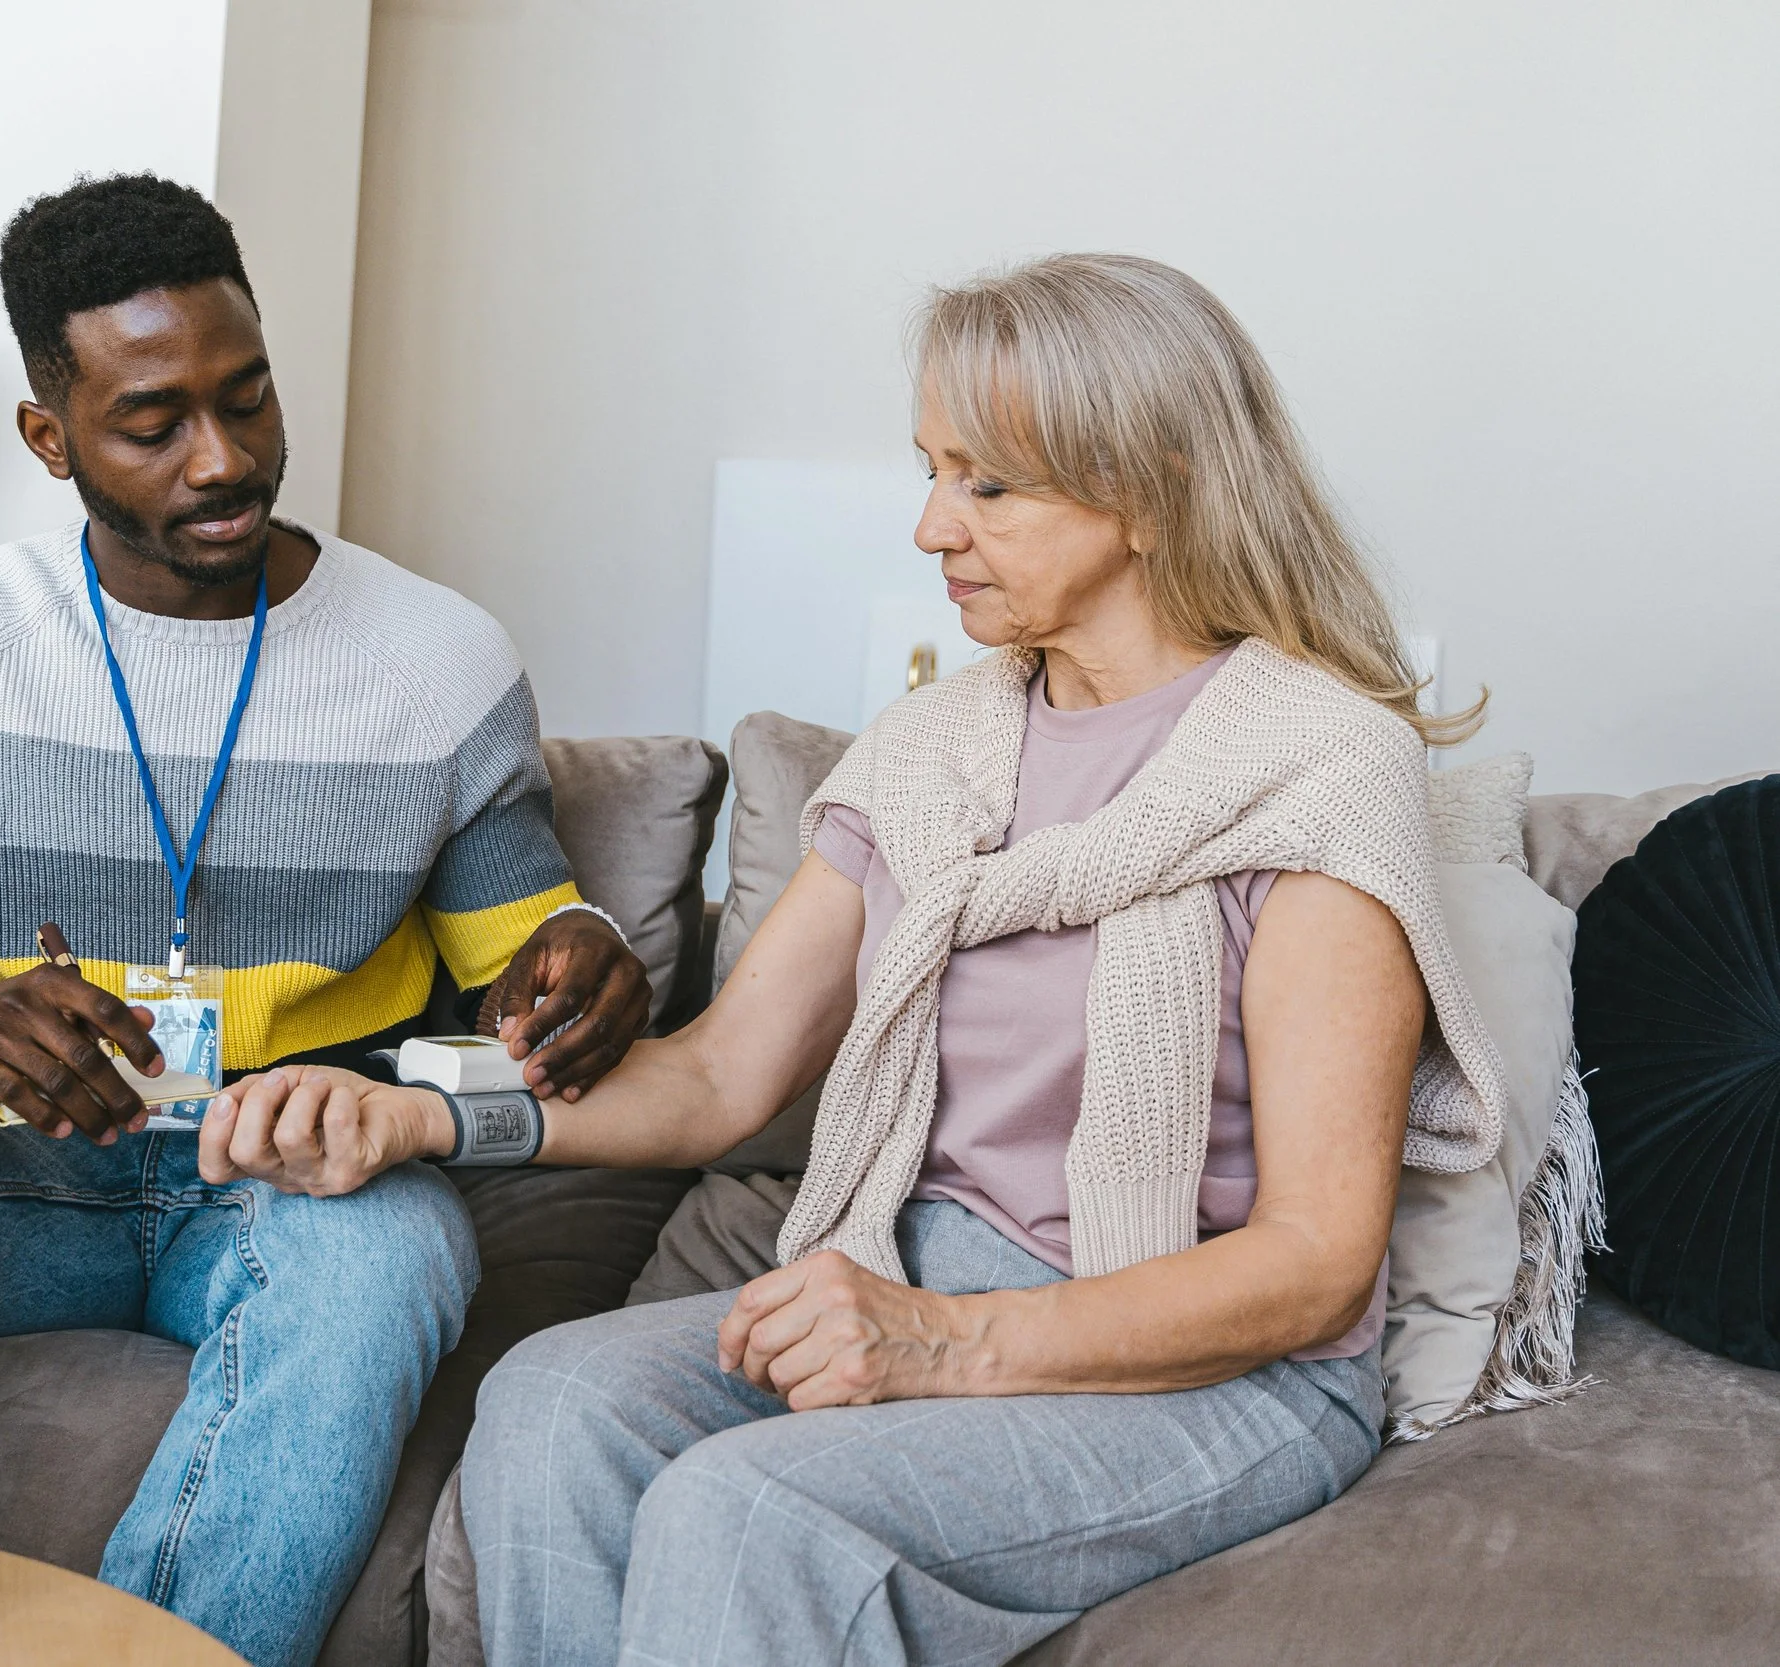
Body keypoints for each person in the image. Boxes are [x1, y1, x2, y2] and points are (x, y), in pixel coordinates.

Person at [196, 253, 1515, 1665]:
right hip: (916, 1266)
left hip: (1212, 1367)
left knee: (750, 1509)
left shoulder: (1316, 766)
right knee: (551, 1400)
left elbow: (1316, 1264)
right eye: (932, 471)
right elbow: (715, 1077)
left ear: (1150, 485)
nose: (931, 525)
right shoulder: (931, 752)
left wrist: (938, 1341)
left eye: (987, 484)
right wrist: (420, 1113)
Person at [0, 174, 651, 1667]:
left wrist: (580, 963)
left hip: (284, 1175)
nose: (226, 458)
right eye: (154, 423)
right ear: (49, 437)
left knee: (395, 1248)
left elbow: (524, 946)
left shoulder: (439, 660)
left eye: (248, 398)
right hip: (14, 1171)